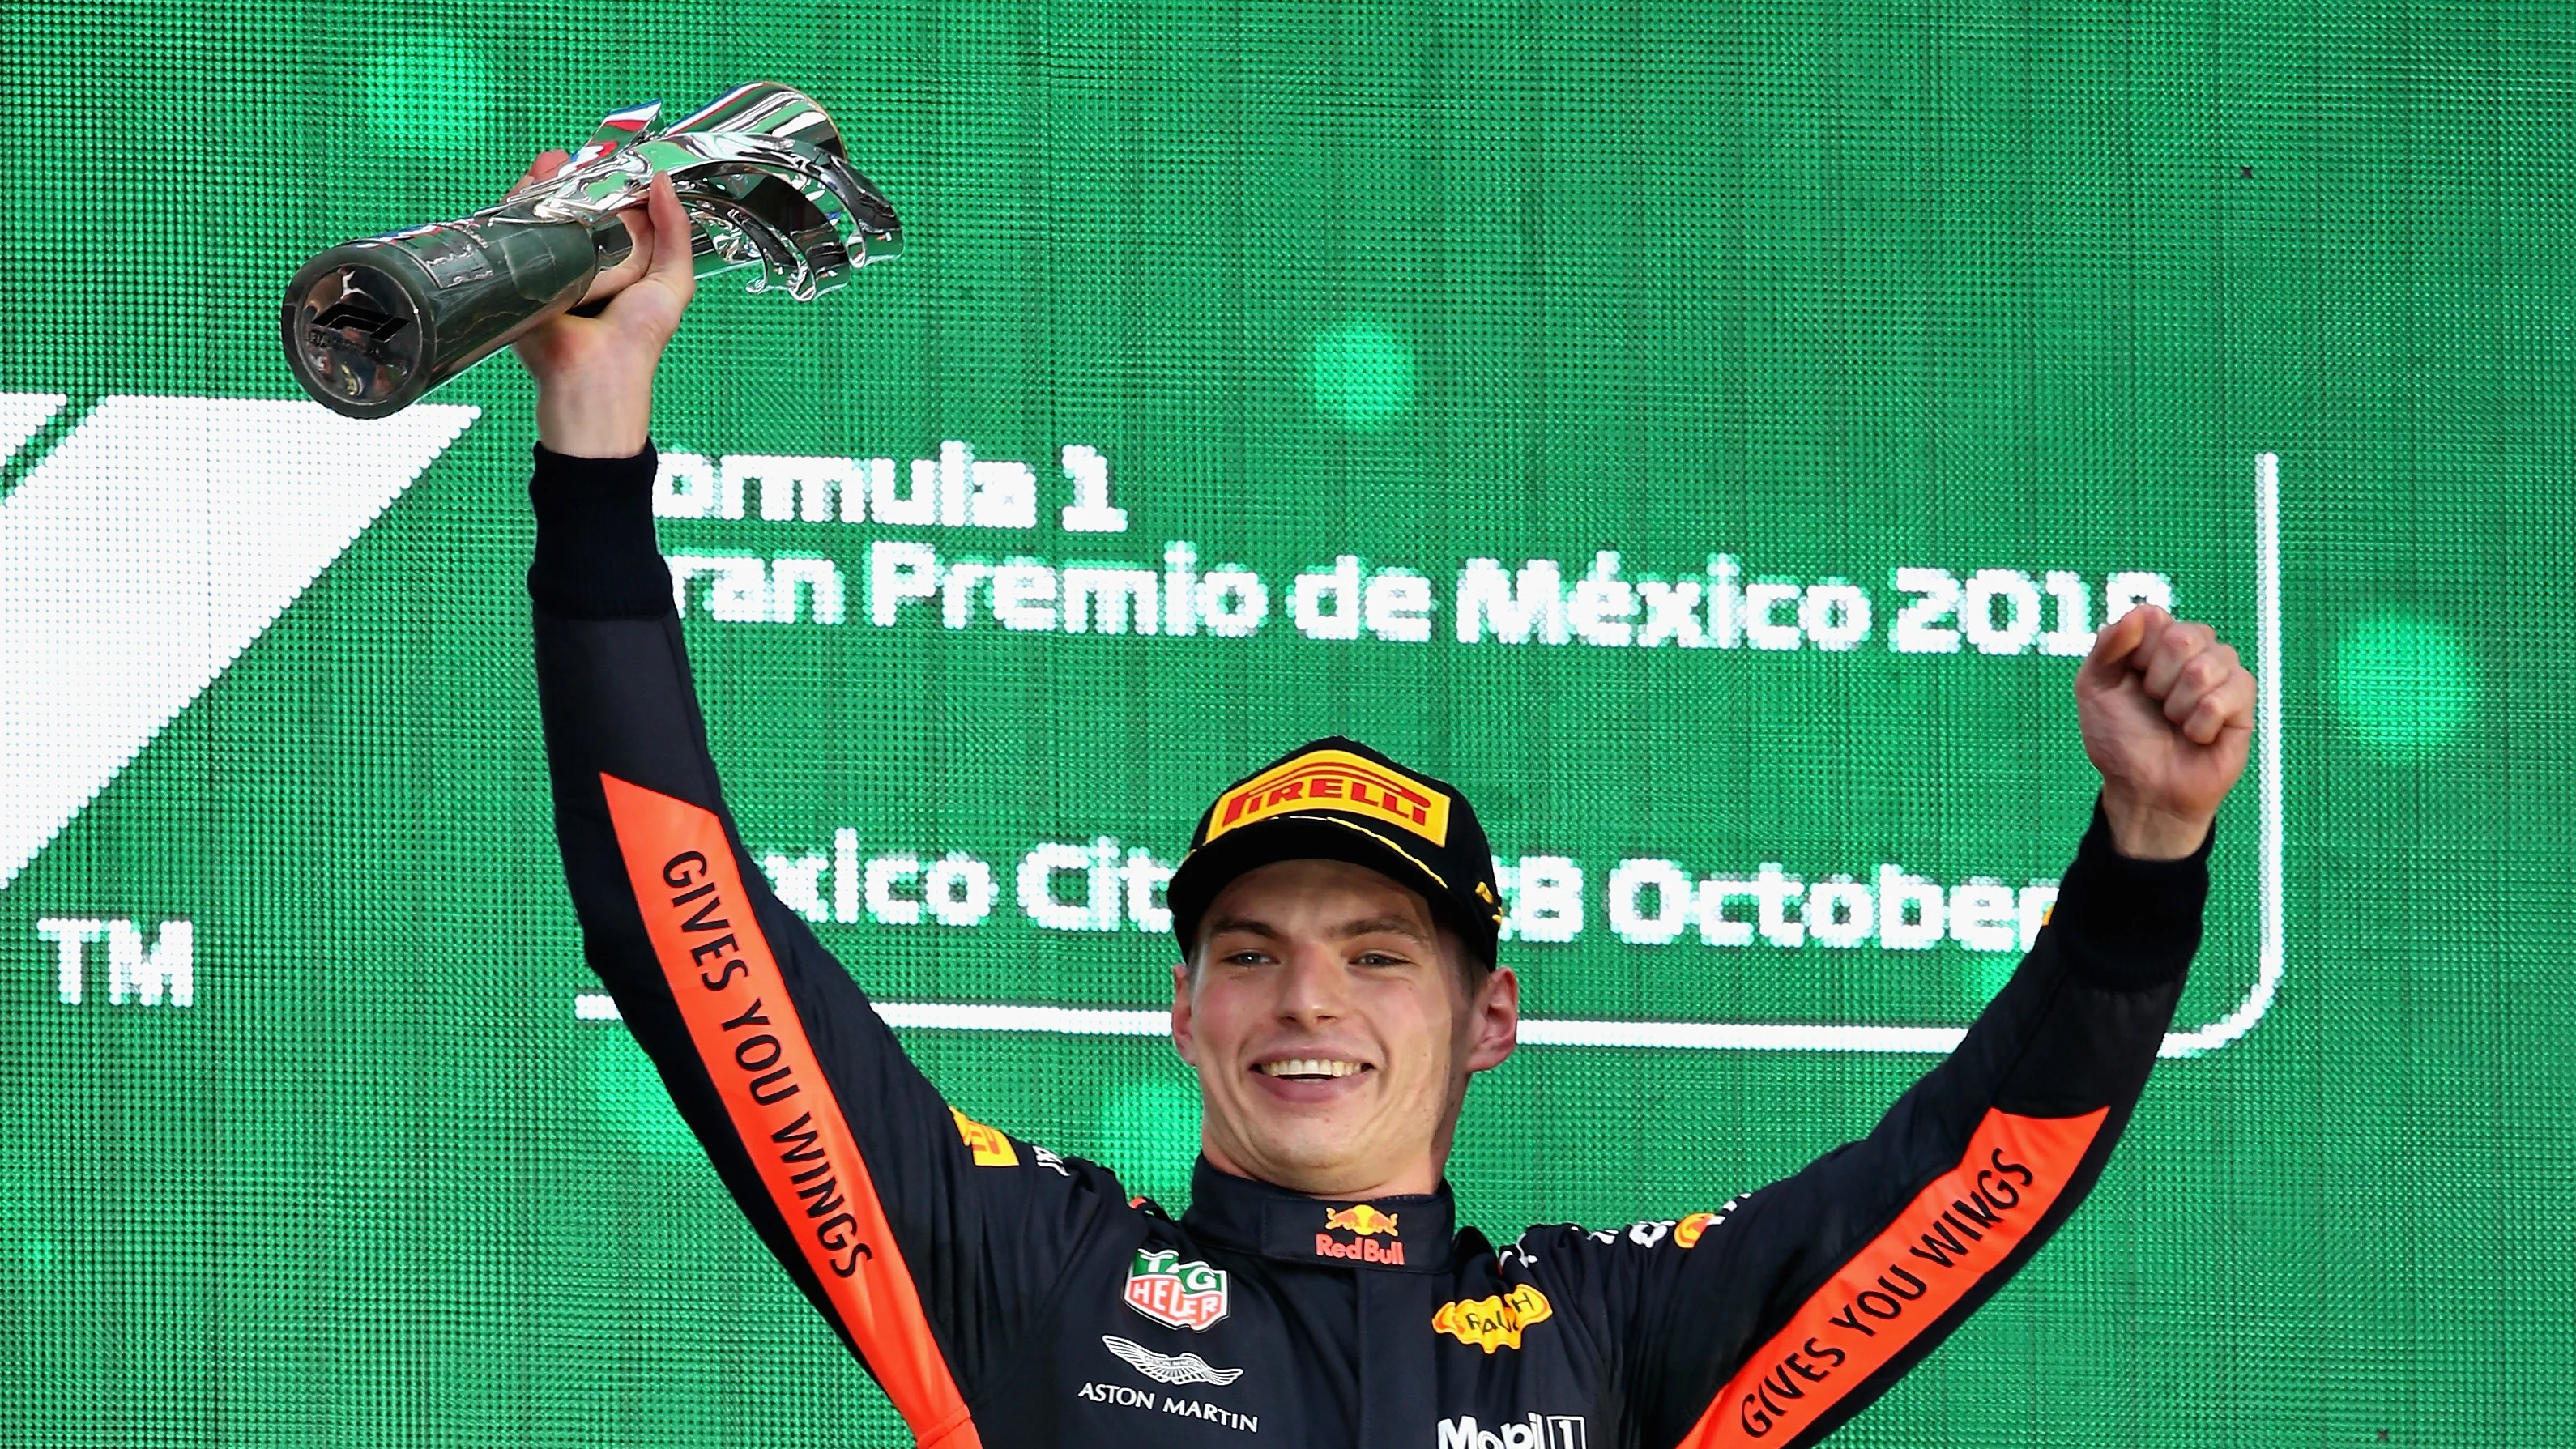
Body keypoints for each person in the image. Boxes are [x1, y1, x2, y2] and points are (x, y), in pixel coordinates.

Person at [512, 156, 2258, 1449]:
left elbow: (1966, 1187)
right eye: (1254, 953)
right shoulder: (1030, 1280)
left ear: (1493, 1014)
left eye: (1379, 953)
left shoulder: (1611, 1341)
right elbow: (690, 936)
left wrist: (2151, 856)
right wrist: (598, 432)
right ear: (1182, 1007)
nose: (1310, 1003)